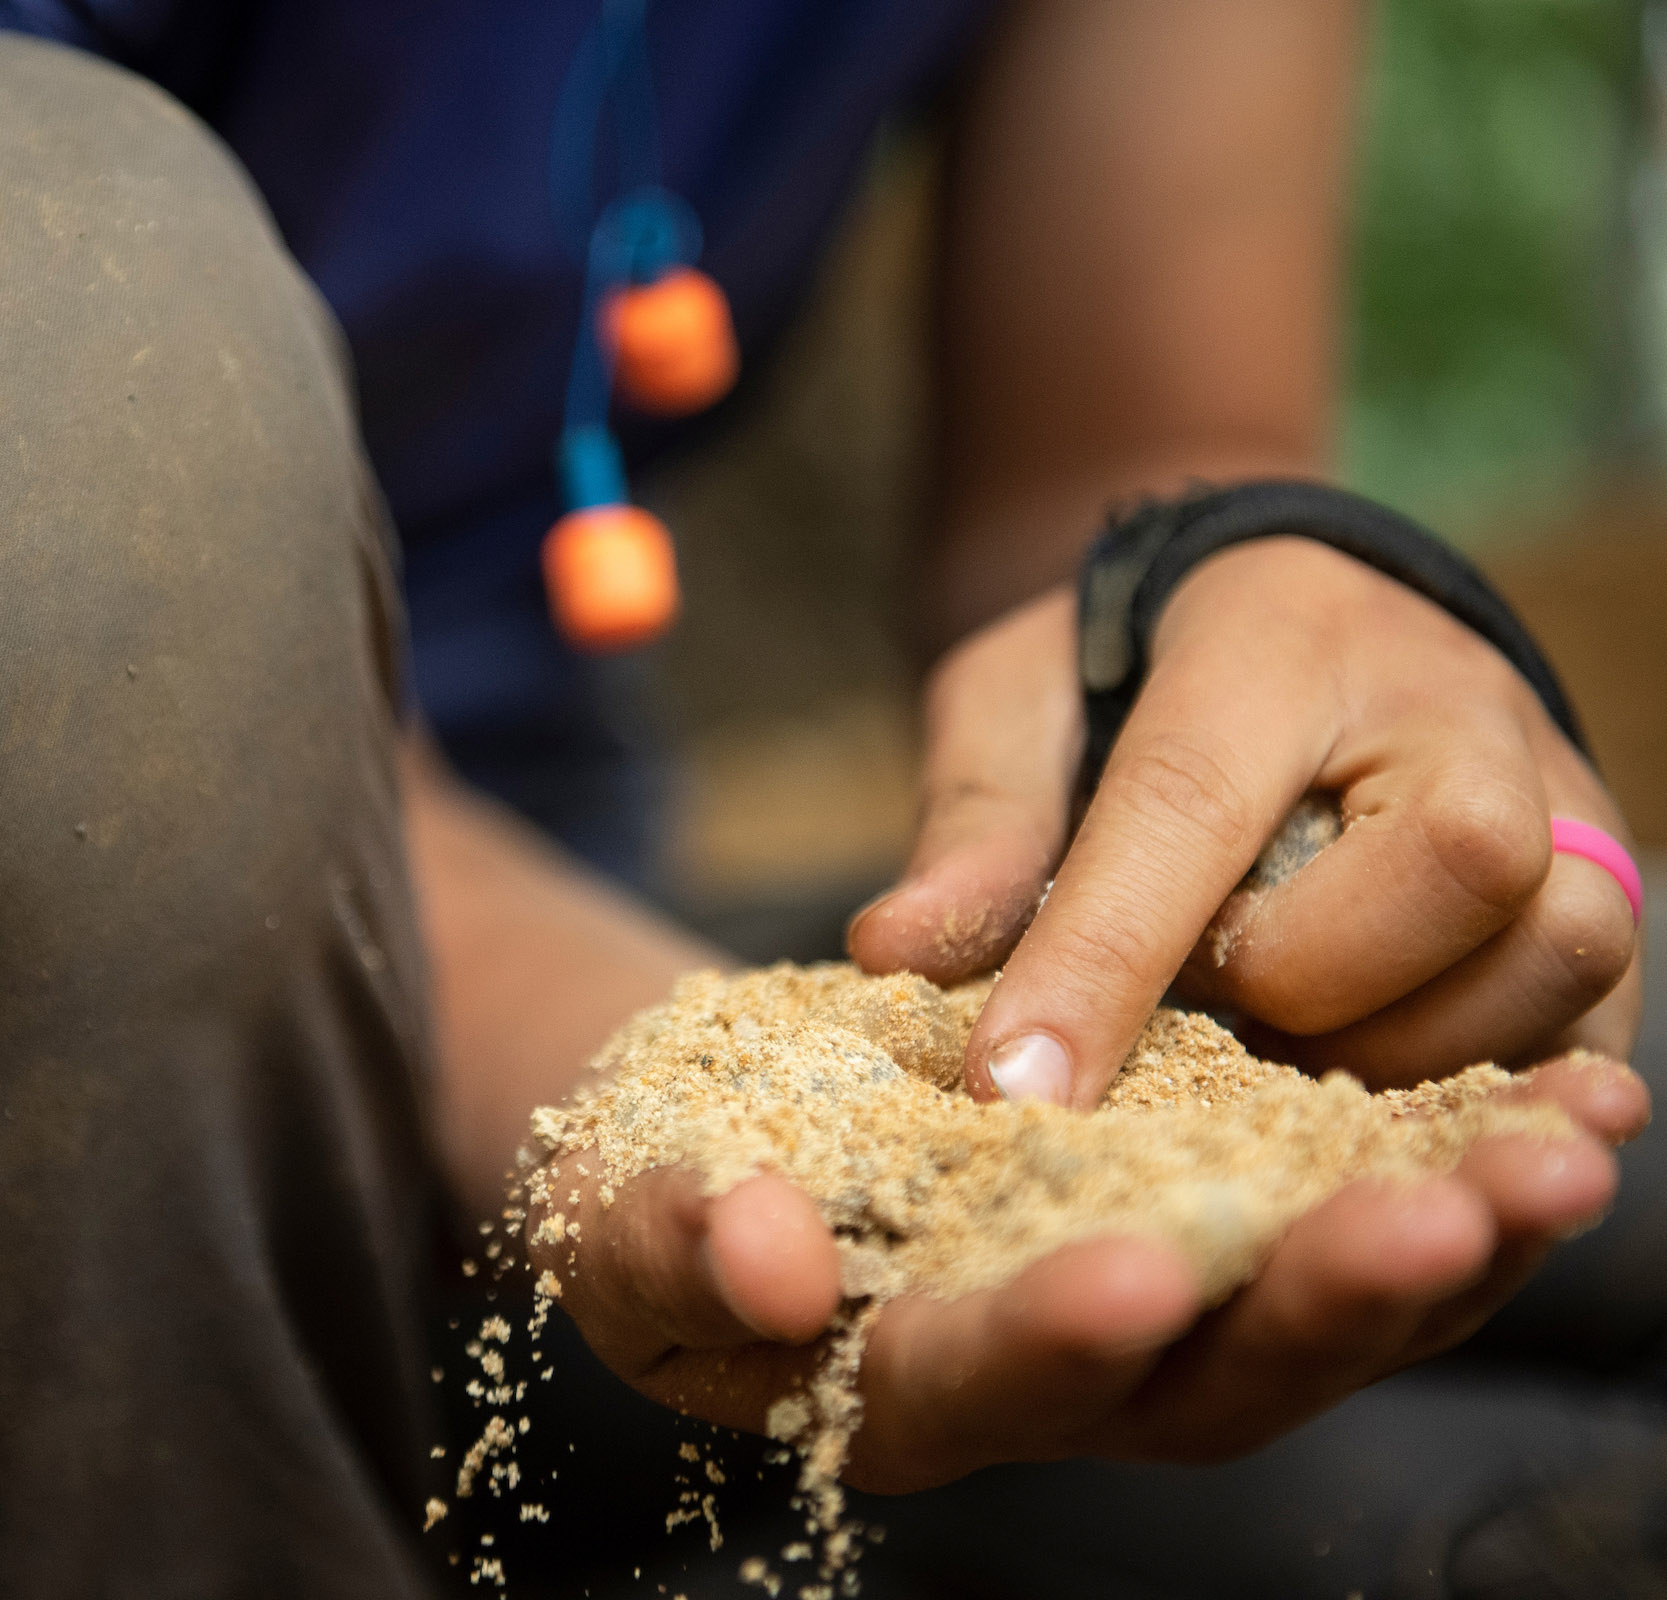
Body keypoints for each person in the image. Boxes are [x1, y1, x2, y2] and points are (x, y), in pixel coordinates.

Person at [0, 5, 1650, 1597]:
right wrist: (642, 1085)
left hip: (576, 868)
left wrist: (1228, 612)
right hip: (122, 1030)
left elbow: (1118, 471)